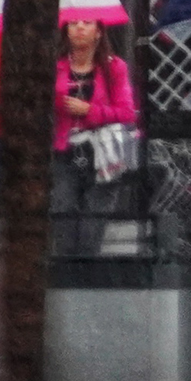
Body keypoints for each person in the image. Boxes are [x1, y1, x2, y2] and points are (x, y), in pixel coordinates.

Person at [51, 18, 138, 257]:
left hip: (103, 155)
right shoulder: (54, 67)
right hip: (64, 153)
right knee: (62, 218)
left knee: (93, 225)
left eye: (87, 23)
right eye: (73, 23)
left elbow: (126, 112)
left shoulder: (114, 67)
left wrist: (89, 111)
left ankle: (86, 279)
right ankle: (66, 278)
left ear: (99, 32)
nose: (79, 28)